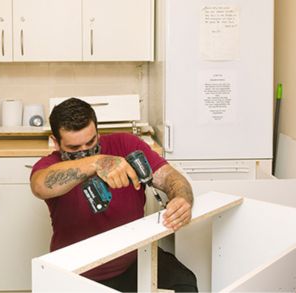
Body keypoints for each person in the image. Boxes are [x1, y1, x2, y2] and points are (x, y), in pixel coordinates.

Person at [30, 98, 198, 292]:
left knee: (185, 283)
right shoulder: (50, 166)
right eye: (74, 149)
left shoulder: (125, 144)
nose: (84, 152)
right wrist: (97, 162)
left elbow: (171, 177)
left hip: (134, 260)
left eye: (91, 142)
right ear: (55, 142)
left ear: (97, 132)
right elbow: (39, 186)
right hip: (78, 272)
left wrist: (182, 198)